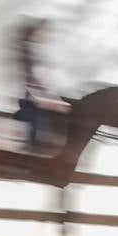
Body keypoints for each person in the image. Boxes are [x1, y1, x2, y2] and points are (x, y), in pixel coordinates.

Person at [12, 17, 71, 152]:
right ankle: (28, 152)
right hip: (31, 98)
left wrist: (57, 100)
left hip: (41, 96)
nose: (46, 36)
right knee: (38, 127)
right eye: (43, 32)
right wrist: (50, 101)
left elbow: (45, 79)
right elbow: (30, 79)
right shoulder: (26, 51)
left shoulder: (36, 51)